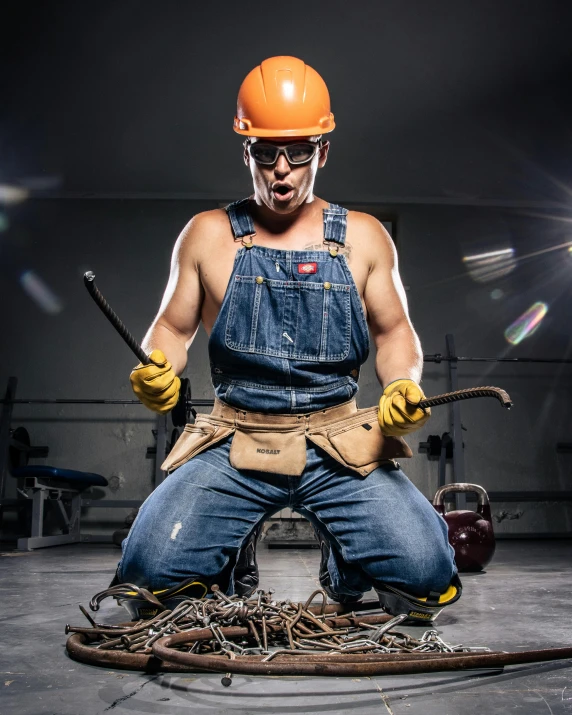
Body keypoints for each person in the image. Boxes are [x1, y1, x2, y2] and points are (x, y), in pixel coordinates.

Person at [118, 56, 460, 622]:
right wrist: (158, 366)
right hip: (235, 440)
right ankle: (232, 555)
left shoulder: (365, 238)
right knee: (148, 575)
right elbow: (173, 329)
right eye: (265, 153)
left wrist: (403, 383)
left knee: (426, 577)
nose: (281, 170)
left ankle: (344, 560)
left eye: (298, 152)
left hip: (337, 444)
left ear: (322, 150)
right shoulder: (207, 235)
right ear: (245, 150)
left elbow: (395, 331)